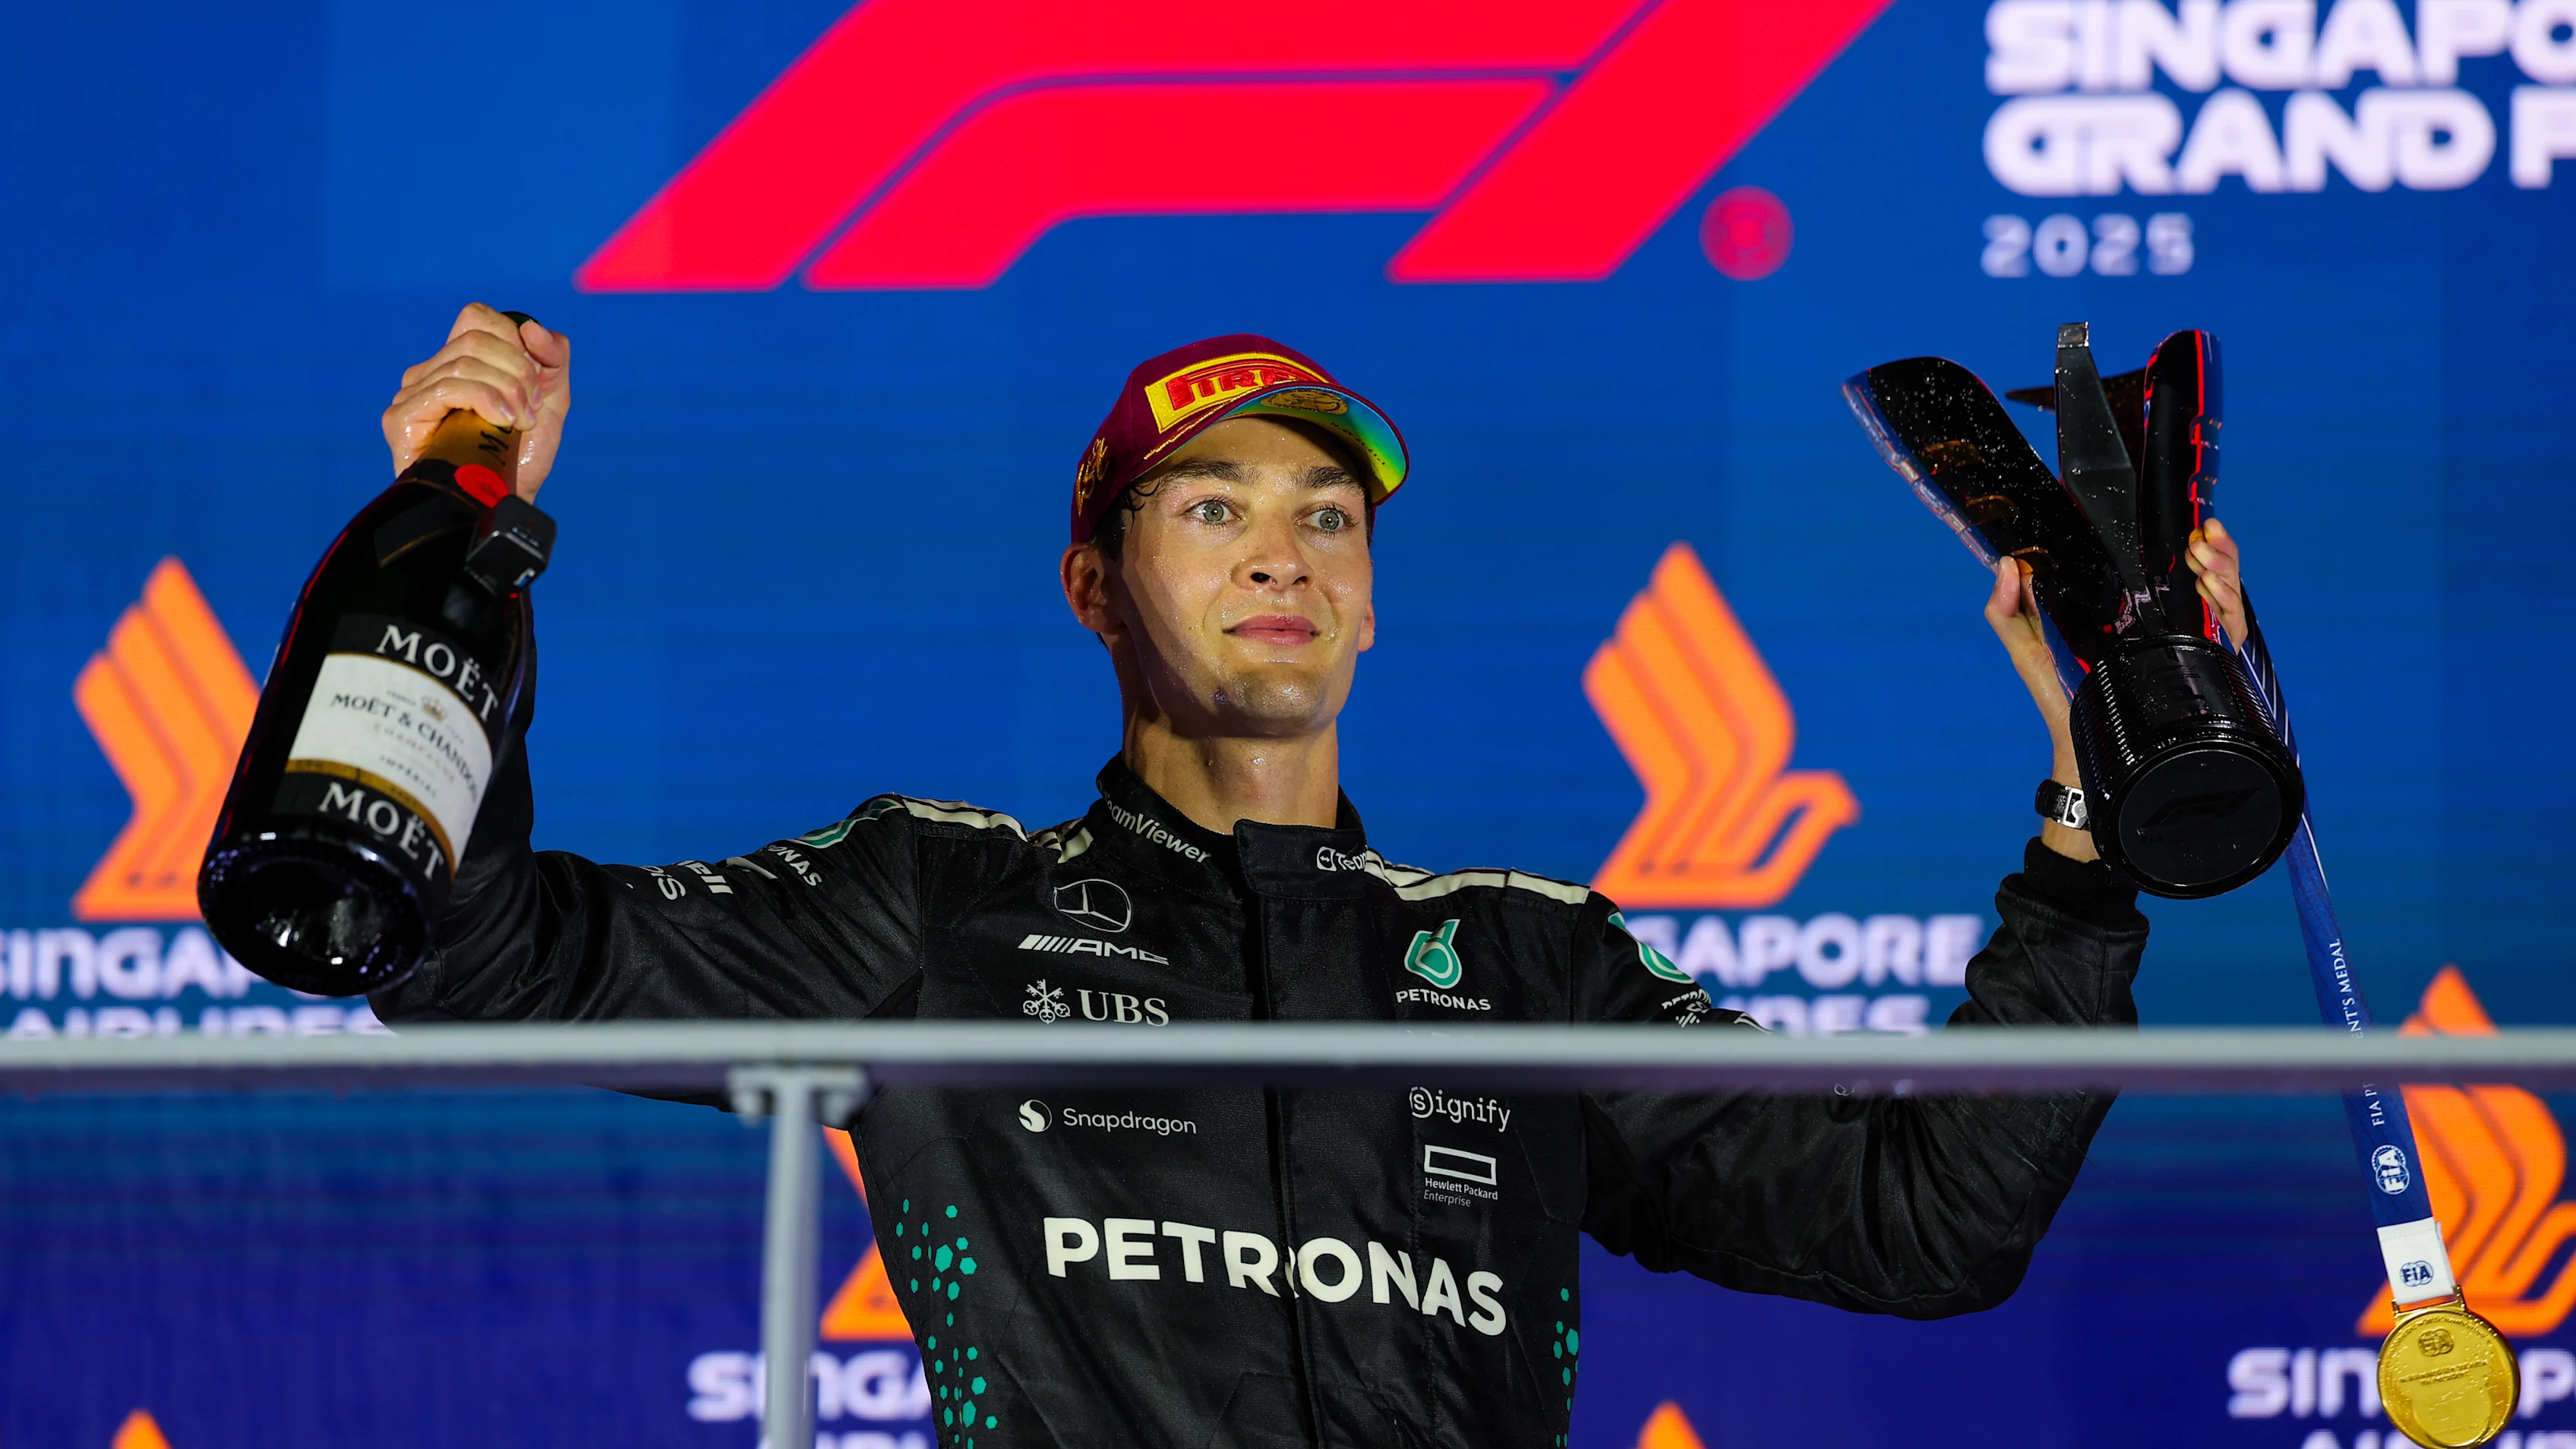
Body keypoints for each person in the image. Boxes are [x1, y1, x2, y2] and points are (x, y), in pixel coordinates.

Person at [375, 305, 2247, 1449]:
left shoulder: (1525, 962)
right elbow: (476, 957)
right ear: (1094, 584)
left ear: (1367, 592)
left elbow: (1925, 1224)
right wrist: (458, 547)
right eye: (1212, 509)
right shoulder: (933, 908)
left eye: (1326, 518)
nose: (1286, 555)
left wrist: (2088, 828)